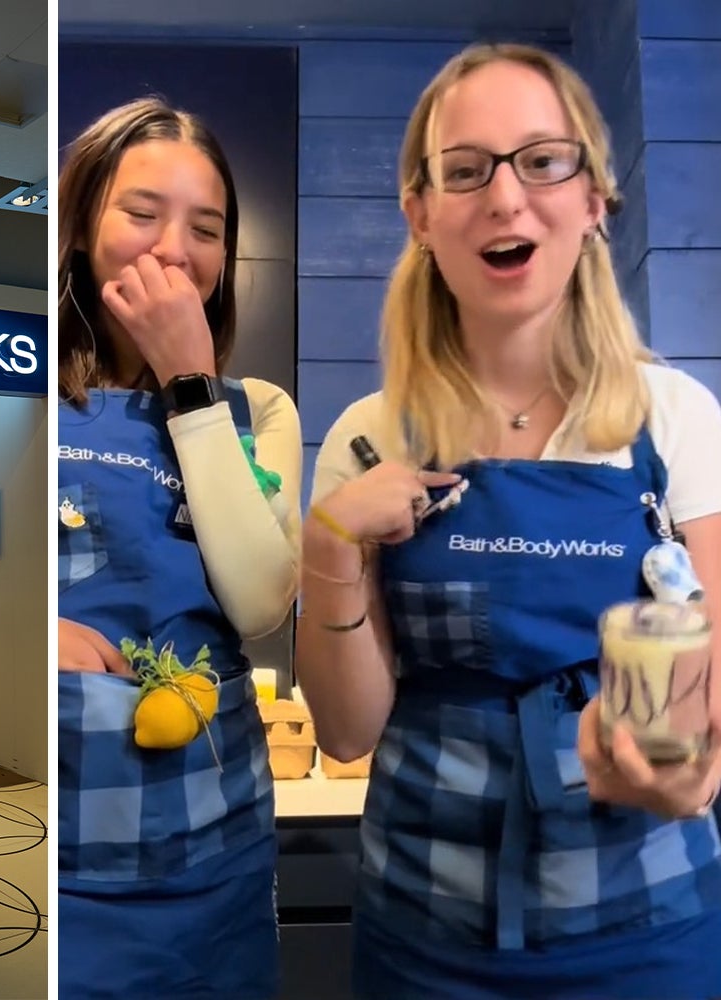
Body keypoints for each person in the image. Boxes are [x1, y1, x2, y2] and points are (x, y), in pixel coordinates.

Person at [295, 43, 721, 999]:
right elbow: (348, 731)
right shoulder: (368, 440)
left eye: (542, 159)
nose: (505, 195)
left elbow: (714, 703)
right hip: (423, 932)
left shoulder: (676, 420)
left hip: (646, 928)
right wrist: (328, 541)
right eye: (466, 169)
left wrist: (693, 770)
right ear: (421, 216)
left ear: (593, 201)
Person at [56, 96, 302, 1000]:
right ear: (82, 227)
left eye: (207, 228)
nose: (174, 250)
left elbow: (260, 603)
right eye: (141, 213)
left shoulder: (260, 410)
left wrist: (190, 386)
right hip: (61, 834)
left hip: (214, 842)